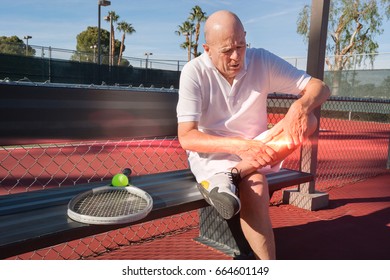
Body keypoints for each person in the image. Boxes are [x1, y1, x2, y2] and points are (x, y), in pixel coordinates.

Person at [176, 10, 331, 260]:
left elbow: (320, 87)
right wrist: (241, 146)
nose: (237, 56)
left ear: (246, 38)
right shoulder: (194, 72)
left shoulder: (262, 60)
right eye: (227, 51)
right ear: (207, 49)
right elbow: (187, 137)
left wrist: (299, 107)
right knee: (256, 185)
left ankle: (233, 174)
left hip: (259, 149)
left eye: (241, 46)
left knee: (309, 120)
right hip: (213, 155)